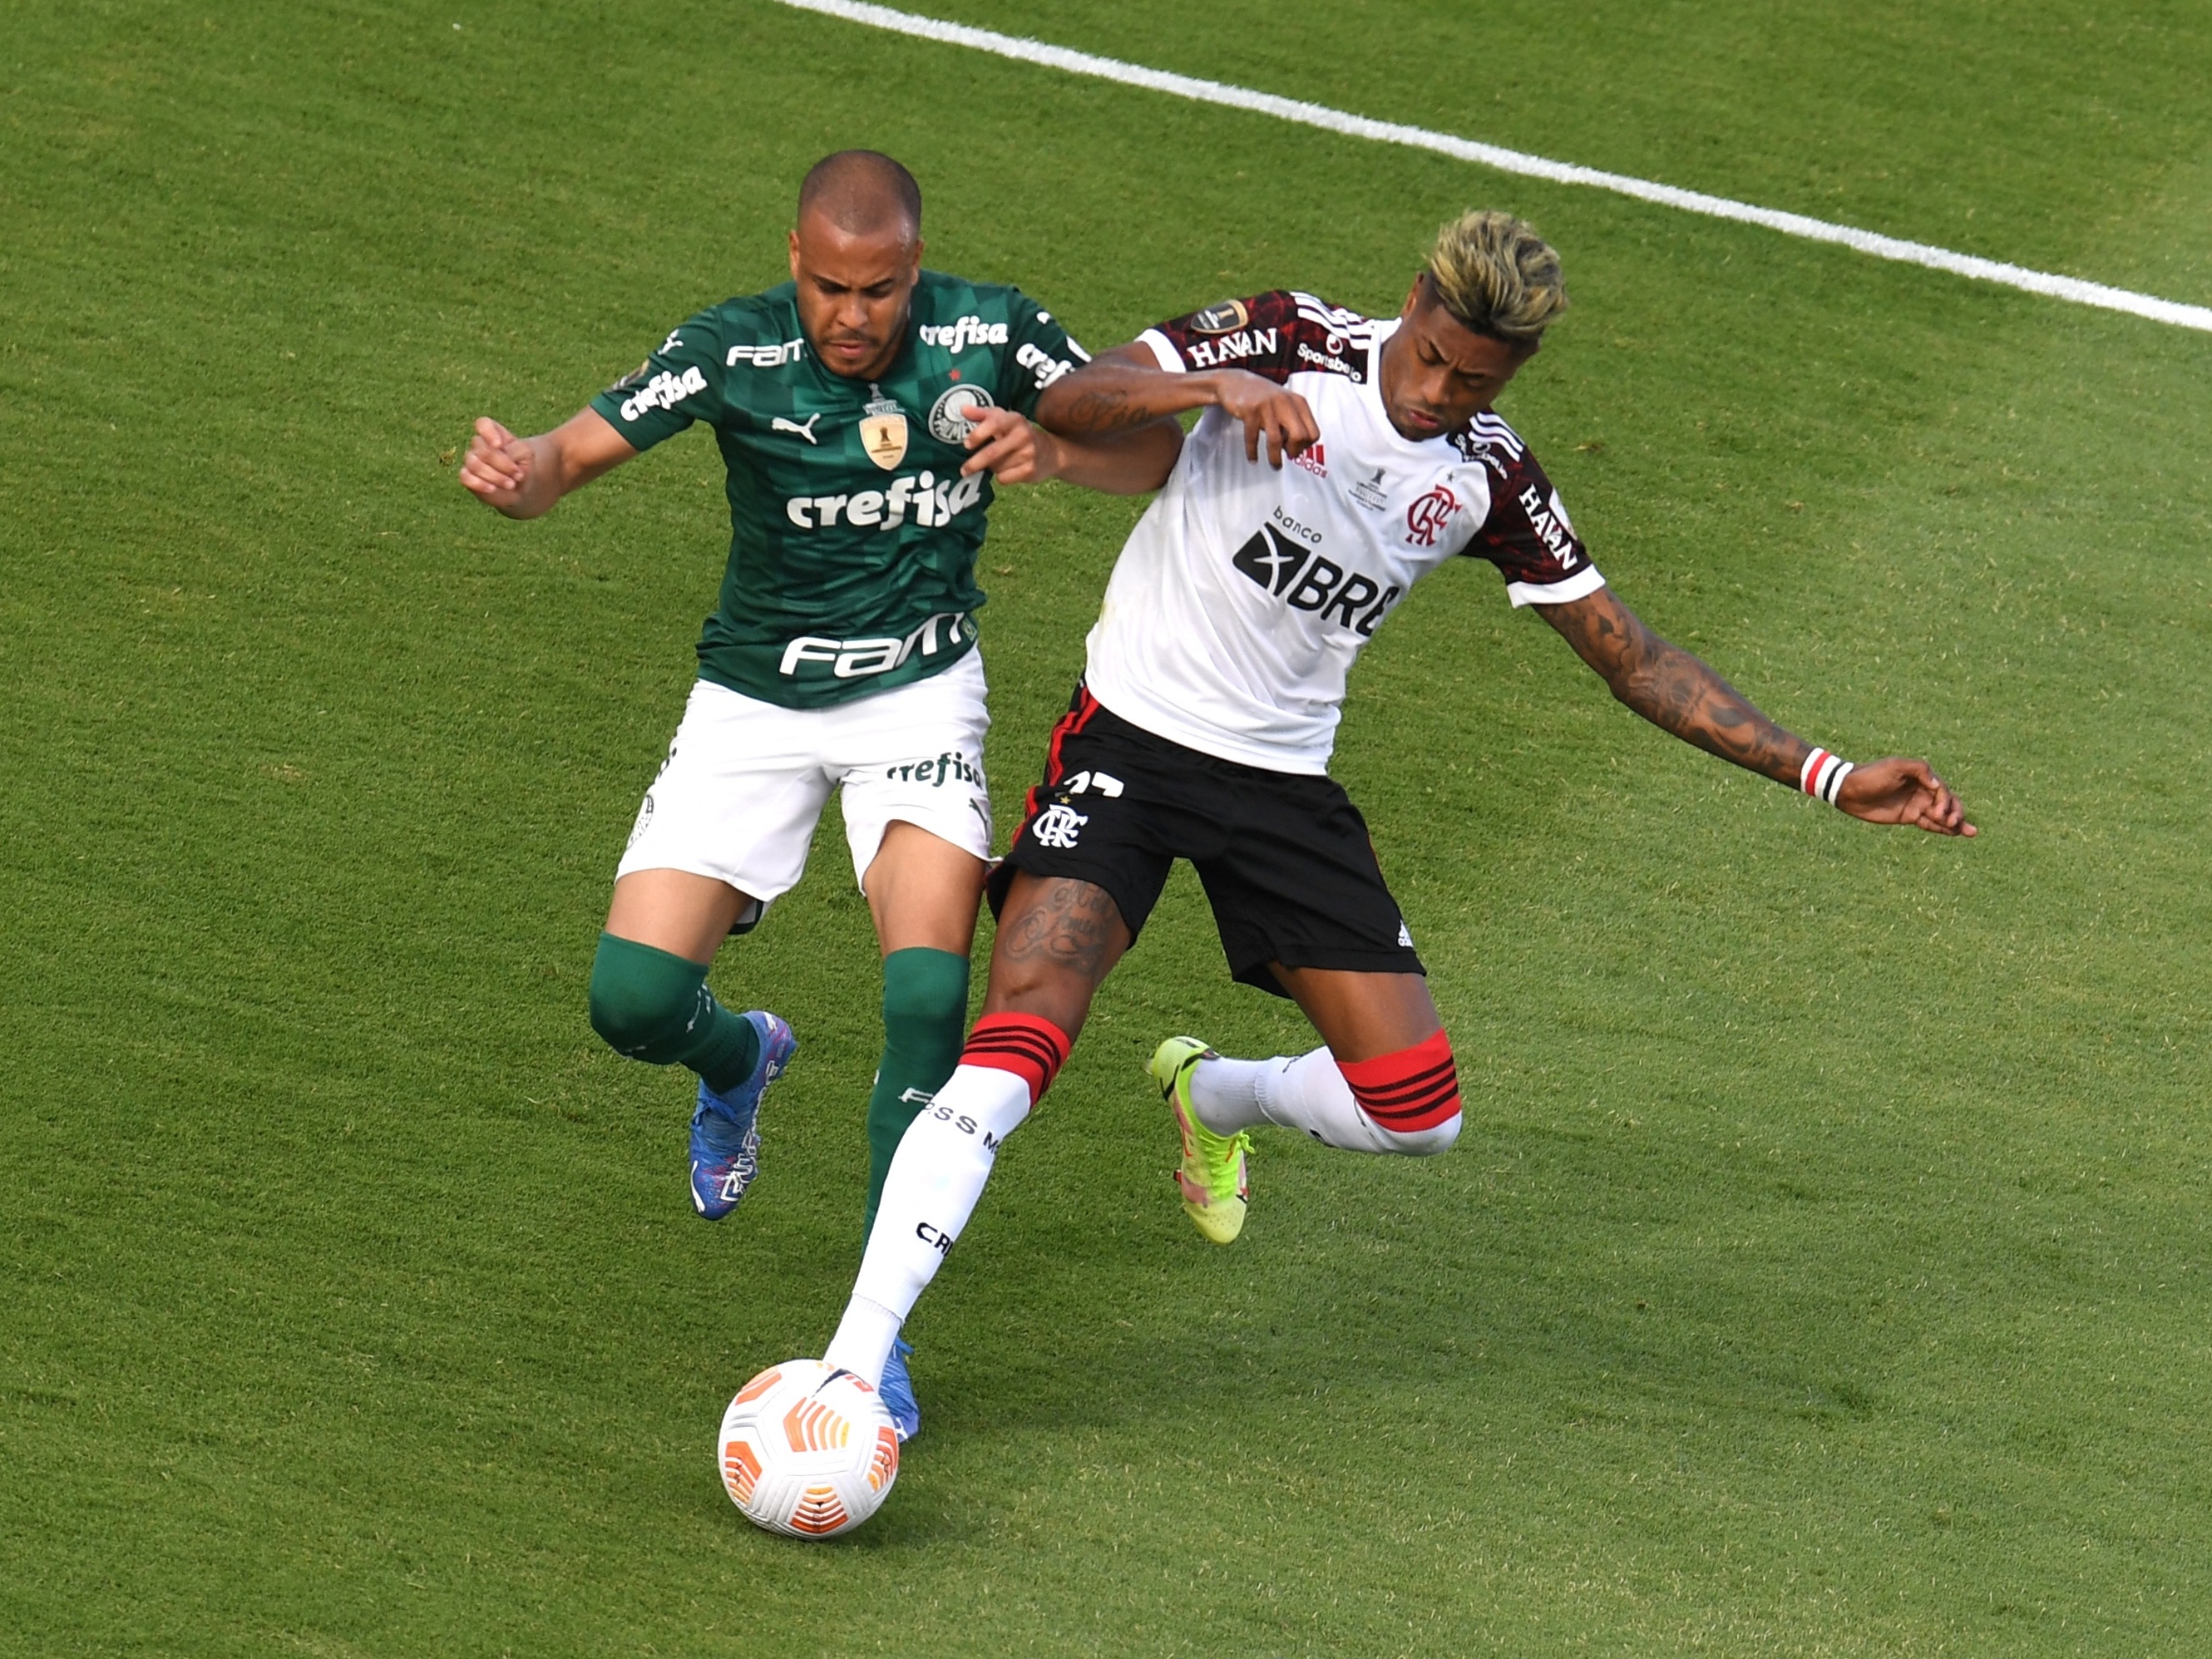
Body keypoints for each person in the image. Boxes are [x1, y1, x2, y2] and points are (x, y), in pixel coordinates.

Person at [817, 210, 1974, 1400]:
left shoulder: (1489, 477)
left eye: (1477, 382)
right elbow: (1072, 404)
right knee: (1019, 1040)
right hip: (1132, 747)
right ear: (1415, 300)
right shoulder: (1286, 337)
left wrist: (1828, 775)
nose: (1438, 395)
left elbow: (1633, 658)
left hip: (1280, 787)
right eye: (1432, 360)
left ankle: (1213, 1091)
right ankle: (857, 1364)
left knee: (1419, 1113)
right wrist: (1216, 385)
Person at [457, 151, 1176, 1438]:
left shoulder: (992, 330)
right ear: (793, 260)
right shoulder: (732, 353)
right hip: (752, 703)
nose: (854, 316)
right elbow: (573, 452)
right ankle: (742, 1058)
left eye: (881, 288)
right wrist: (526, 482)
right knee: (630, 1004)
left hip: (919, 698)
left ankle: (870, 1340)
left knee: (925, 993)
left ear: (916, 266)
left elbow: (1159, 454)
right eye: (830, 286)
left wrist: (1057, 453)